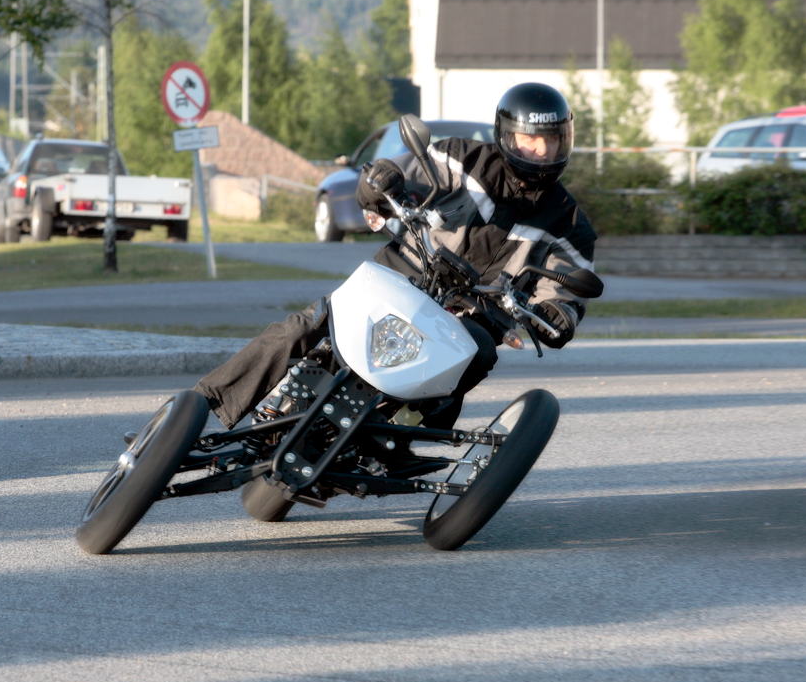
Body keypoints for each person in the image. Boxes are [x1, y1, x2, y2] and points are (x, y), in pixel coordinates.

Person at [193, 82, 597, 432]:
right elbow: (396, 178)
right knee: (307, 325)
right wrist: (381, 182)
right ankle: (199, 408)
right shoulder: (461, 158)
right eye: (530, 139)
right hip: (406, 275)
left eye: (551, 140)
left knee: (474, 358)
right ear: (507, 135)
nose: (541, 150)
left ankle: (397, 441)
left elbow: (567, 288)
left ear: (565, 140)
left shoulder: (570, 223)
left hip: (473, 317)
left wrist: (558, 314)